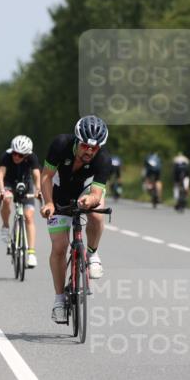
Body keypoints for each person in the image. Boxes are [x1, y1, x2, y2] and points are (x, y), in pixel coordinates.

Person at [39, 115, 112, 324]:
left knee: (97, 214)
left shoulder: (103, 158)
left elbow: (97, 193)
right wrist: (49, 203)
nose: (89, 151)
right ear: (77, 141)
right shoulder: (60, 144)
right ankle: (59, 300)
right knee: (59, 247)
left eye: (94, 148)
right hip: (59, 192)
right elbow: (45, 176)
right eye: (85, 146)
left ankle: (92, 254)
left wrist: (91, 200)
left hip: (85, 192)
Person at [0, 135, 41, 268]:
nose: (16, 157)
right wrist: (2, 191)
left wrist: (38, 190)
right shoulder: (6, 156)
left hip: (25, 184)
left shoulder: (32, 157)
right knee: (7, 200)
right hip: (9, 183)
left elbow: (36, 176)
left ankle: (32, 254)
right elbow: (0, 176)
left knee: (29, 216)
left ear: (27, 155)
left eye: (20, 155)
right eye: (15, 154)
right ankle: (5, 225)